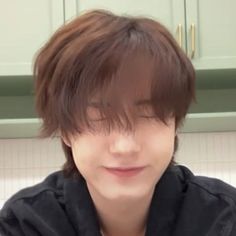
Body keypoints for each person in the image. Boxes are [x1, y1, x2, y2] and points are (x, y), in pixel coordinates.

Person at [0, 9, 236, 236]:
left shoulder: (223, 218)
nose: (125, 147)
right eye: (100, 115)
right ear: (65, 130)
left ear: (175, 123)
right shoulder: (26, 224)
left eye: (149, 113)